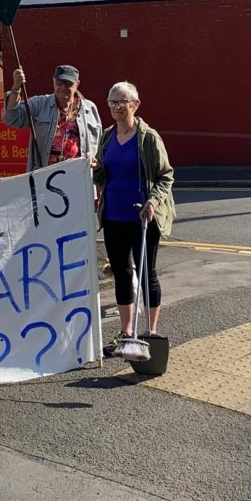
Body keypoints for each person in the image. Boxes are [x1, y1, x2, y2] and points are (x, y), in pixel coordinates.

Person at [94, 82, 175, 352]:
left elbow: (166, 176)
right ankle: (126, 333)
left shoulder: (148, 138)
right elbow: (103, 177)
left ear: (135, 105)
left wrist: (152, 201)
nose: (116, 107)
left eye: (122, 102)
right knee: (121, 273)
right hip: (114, 216)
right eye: (112, 102)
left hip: (143, 218)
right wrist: (95, 169)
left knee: (146, 273)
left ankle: (151, 332)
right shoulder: (107, 137)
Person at [5, 64, 103, 173]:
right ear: (53, 82)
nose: (63, 87)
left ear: (77, 84)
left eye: (68, 83)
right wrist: (16, 87)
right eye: (59, 83)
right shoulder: (39, 104)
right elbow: (11, 118)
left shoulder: (90, 109)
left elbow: (99, 149)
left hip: (79, 179)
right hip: (45, 179)